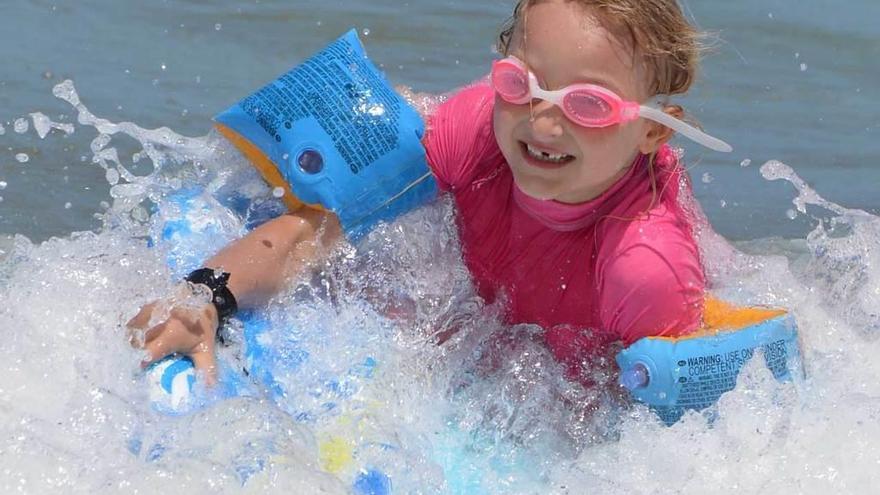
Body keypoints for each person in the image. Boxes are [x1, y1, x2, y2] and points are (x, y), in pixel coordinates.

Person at [128, 0, 721, 385]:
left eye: (587, 105)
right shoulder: (481, 130)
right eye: (523, 83)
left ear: (652, 129)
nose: (542, 123)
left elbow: (658, 429)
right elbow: (322, 226)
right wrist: (204, 297)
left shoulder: (642, 268)